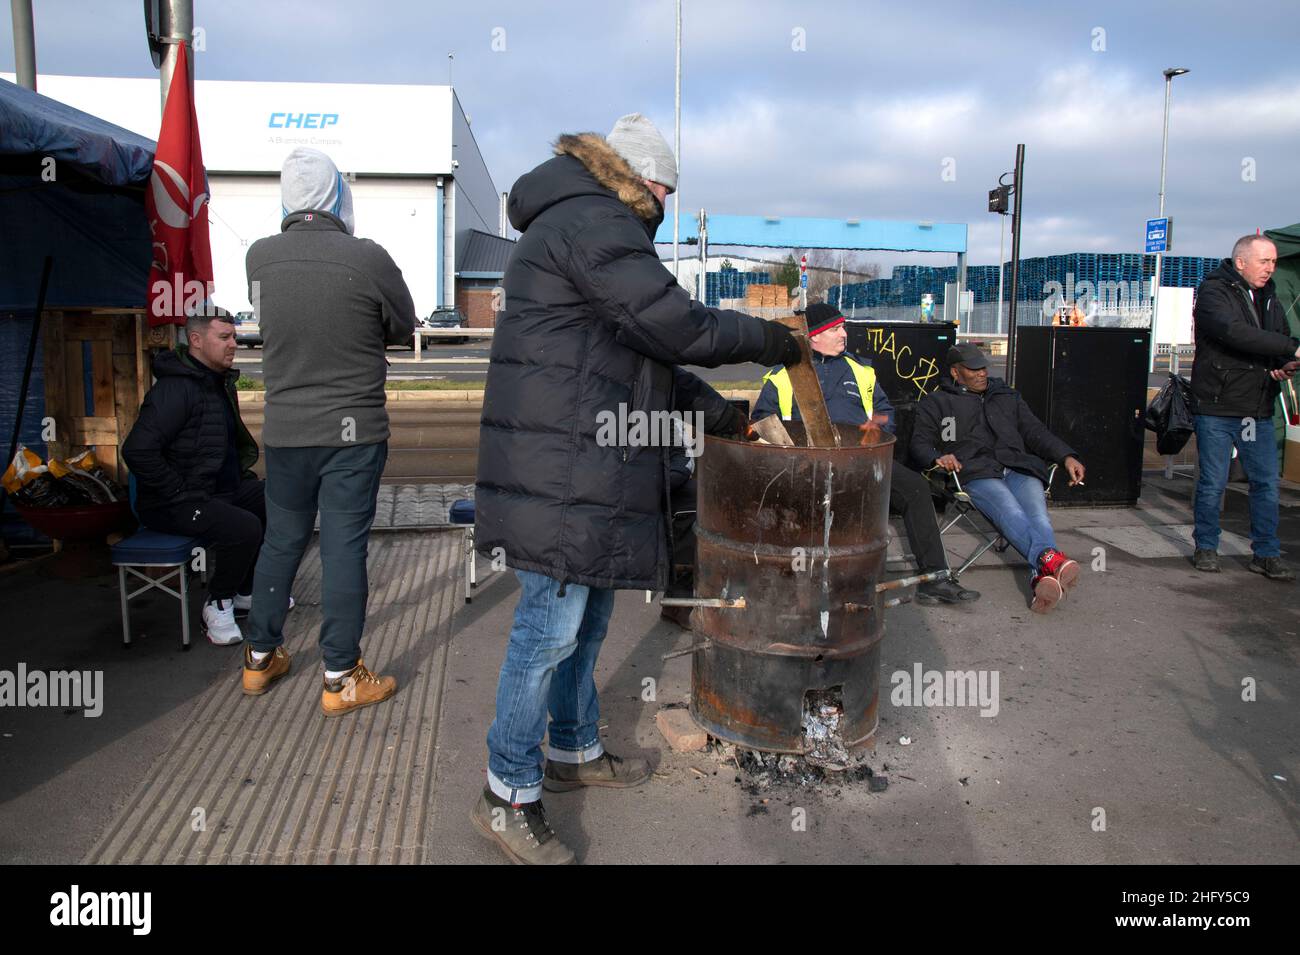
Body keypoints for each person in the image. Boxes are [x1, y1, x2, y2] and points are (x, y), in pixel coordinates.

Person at [473, 113, 801, 864]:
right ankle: (505, 793)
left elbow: (648, 353)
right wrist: (770, 336)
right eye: (663, 187)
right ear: (634, 177)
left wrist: (723, 415)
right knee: (547, 632)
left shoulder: (580, 221)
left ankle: (573, 747)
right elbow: (681, 326)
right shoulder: (596, 222)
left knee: (582, 623)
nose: (665, 202)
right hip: (562, 470)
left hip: (579, 464)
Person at [241, 147, 417, 710]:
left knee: (281, 540)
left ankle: (259, 658)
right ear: (338, 197)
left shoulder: (259, 258)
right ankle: (340, 676)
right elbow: (401, 323)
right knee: (343, 547)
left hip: (286, 429)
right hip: (352, 433)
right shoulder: (367, 258)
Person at [751, 303, 979, 605]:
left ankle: (936, 577)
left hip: (862, 459)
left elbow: (884, 413)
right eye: (835, 329)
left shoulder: (861, 370)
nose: (844, 334)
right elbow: (762, 425)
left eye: (843, 327)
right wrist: (790, 456)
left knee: (915, 487)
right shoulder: (782, 376)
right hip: (804, 465)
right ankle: (796, 583)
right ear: (814, 337)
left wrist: (873, 437)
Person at [122, 306, 275, 645]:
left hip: (212, 490)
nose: (233, 344)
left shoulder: (216, 382)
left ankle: (243, 592)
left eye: (234, 336)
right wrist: (177, 489)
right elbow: (136, 451)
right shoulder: (176, 389)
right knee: (243, 528)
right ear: (195, 340)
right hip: (171, 501)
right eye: (224, 337)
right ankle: (217, 604)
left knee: (275, 502)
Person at [910, 343, 1086, 614]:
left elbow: (1035, 431)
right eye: (973, 369)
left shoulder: (1006, 396)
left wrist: (1066, 456)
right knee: (1011, 511)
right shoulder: (937, 402)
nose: (981, 373)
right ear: (955, 373)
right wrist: (938, 458)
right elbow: (919, 444)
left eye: (983, 367)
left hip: (1018, 467)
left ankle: (1041, 574)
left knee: (1038, 517)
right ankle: (1048, 559)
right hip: (976, 472)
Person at [1189, 234, 1300, 580]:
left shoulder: (1269, 297)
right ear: (1240, 262)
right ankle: (1206, 547)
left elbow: (1274, 337)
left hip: (1257, 407)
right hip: (1217, 407)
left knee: (1266, 483)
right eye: (1264, 261)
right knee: (1213, 482)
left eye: (1273, 262)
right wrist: (1292, 347)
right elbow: (1233, 332)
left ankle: (1265, 553)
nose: (1271, 268)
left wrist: (1282, 363)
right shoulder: (1213, 292)